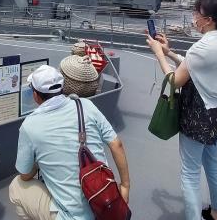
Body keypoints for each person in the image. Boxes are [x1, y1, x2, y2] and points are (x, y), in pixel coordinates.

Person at [146, 0, 217, 220]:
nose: (194, 18)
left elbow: (174, 80)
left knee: (190, 173)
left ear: (208, 20)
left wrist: (158, 53)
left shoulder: (202, 47)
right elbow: (195, 65)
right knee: (212, 163)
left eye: (197, 14)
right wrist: (169, 52)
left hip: (199, 113)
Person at [9, 64, 130, 220]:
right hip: (105, 204)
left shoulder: (29, 126)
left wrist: (39, 161)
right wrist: (125, 186)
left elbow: (25, 175)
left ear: (35, 95)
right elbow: (116, 144)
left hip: (72, 217)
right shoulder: (85, 105)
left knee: (16, 186)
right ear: (62, 88)